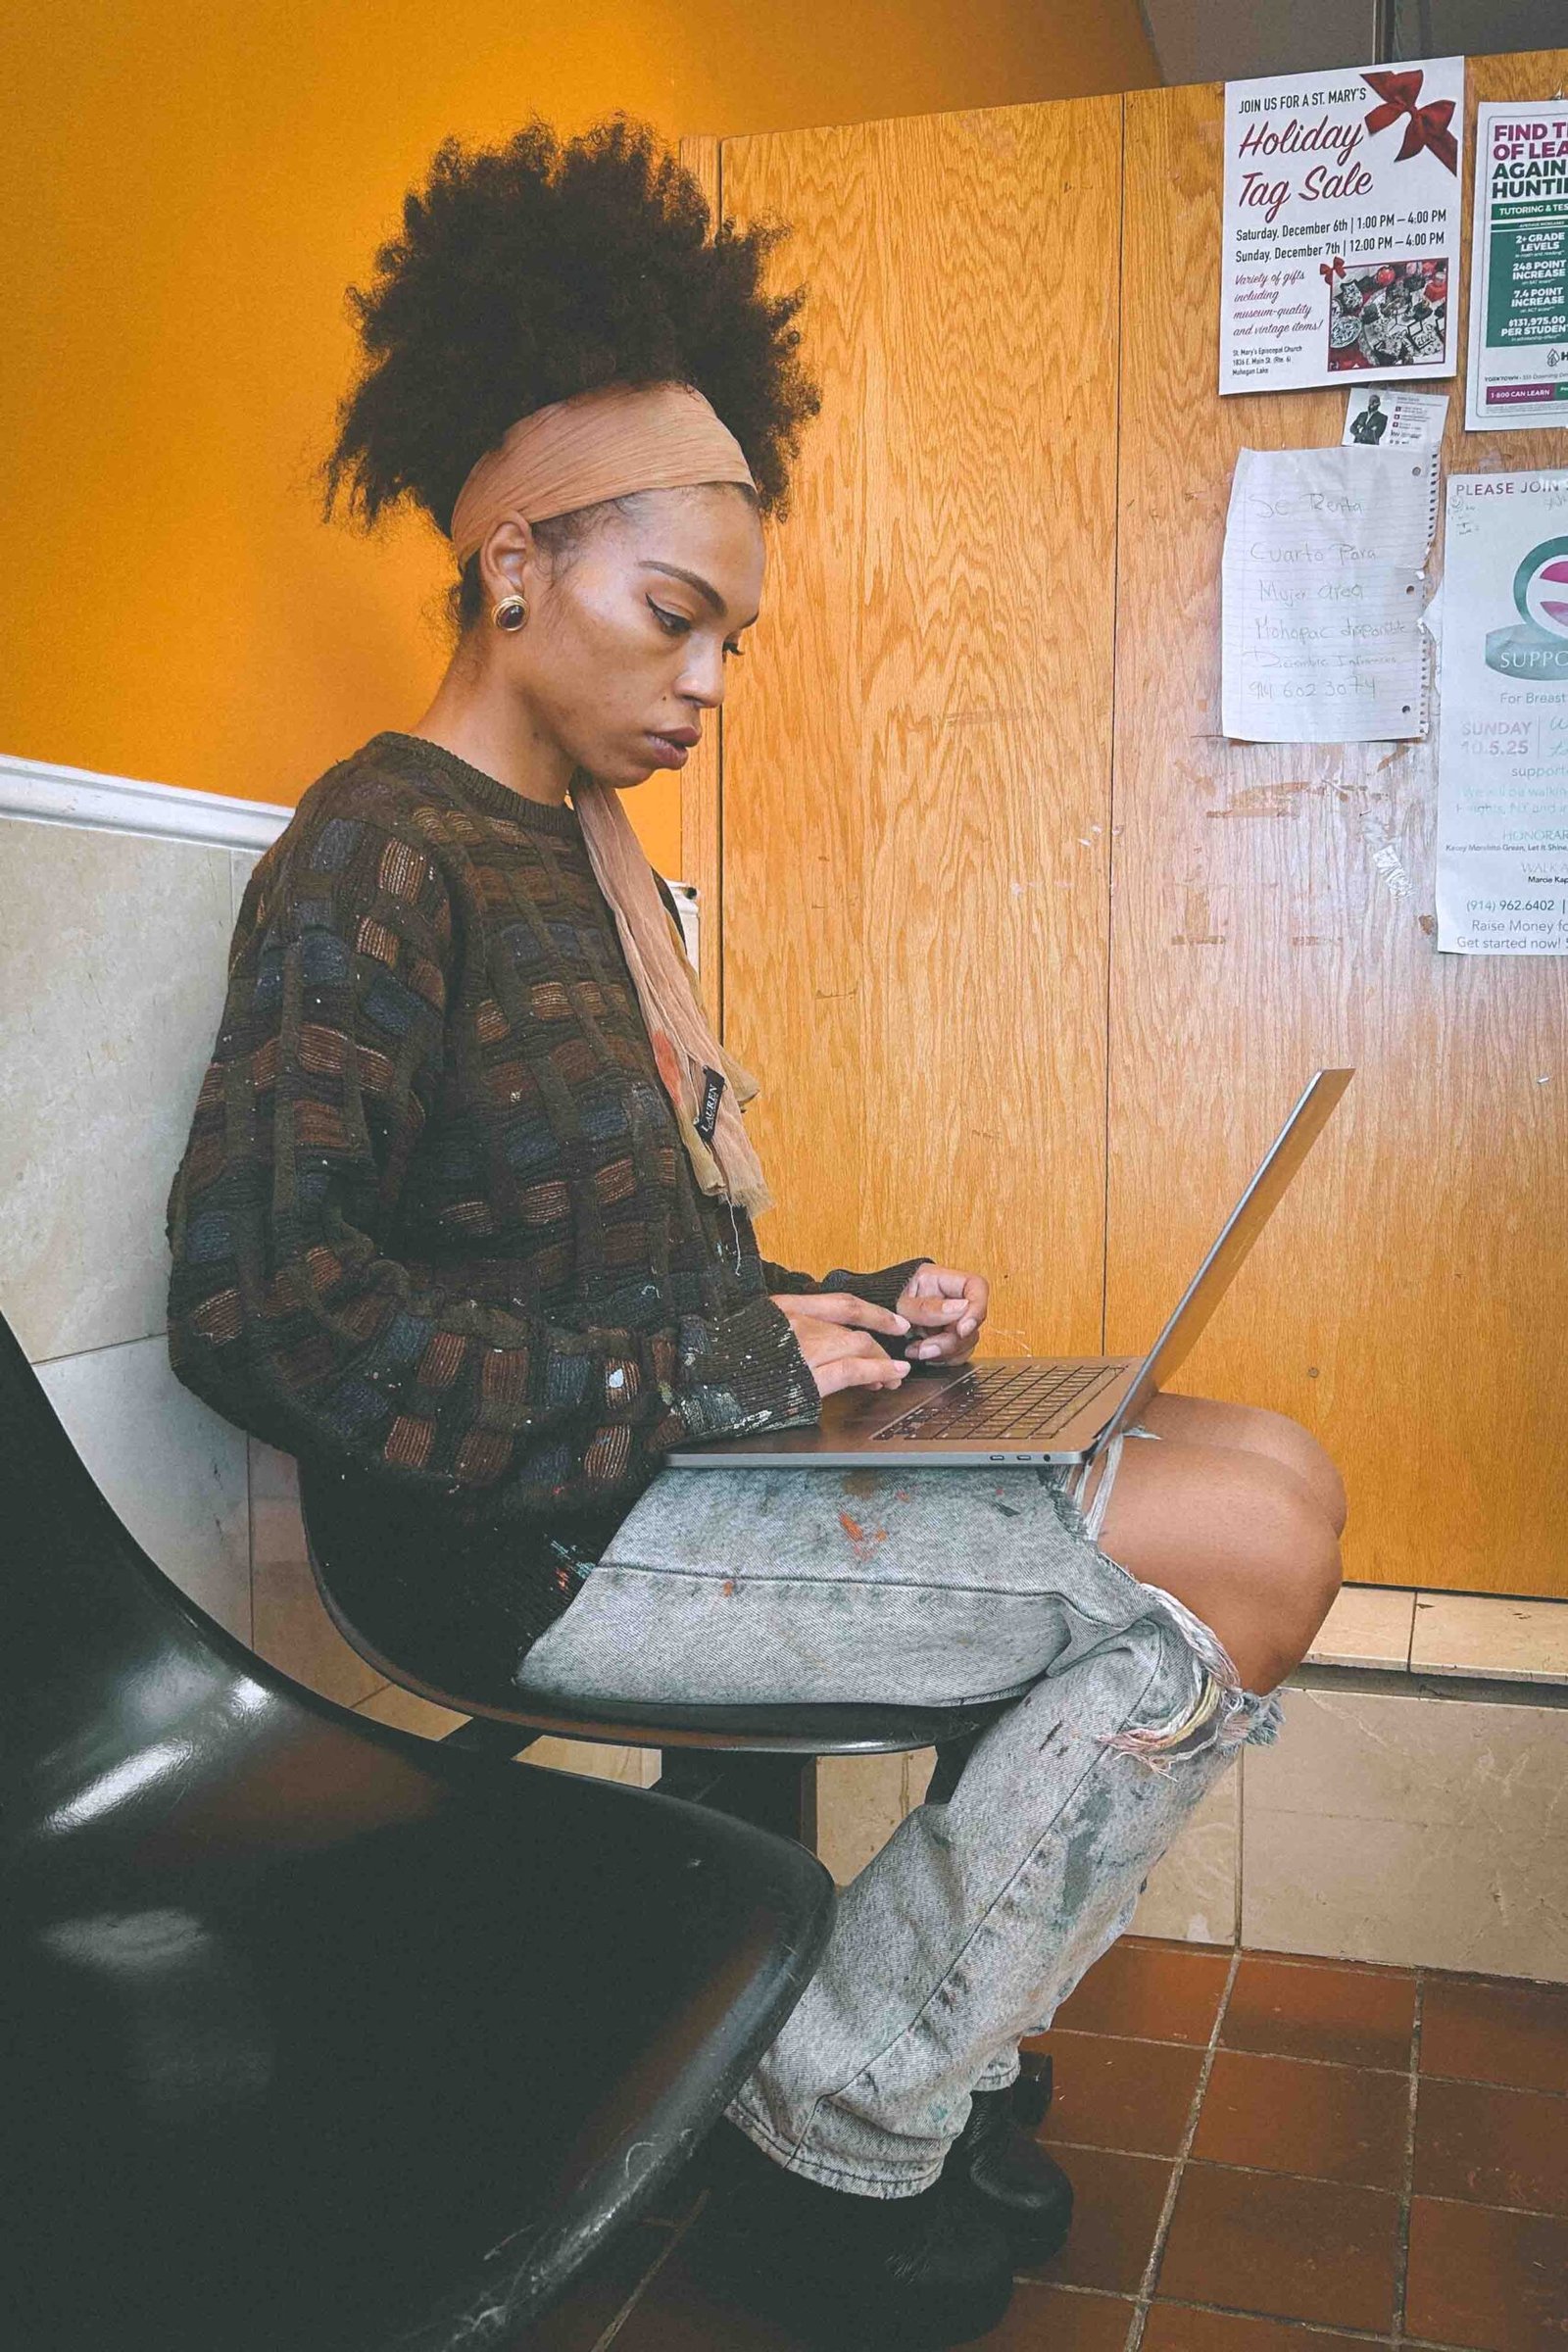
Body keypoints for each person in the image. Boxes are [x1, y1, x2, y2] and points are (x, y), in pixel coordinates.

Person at [165, 119, 1346, 2351]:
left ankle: (904, 2043)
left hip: (661, 1470)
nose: (706, 680)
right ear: (515, 562)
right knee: (1245, 1553)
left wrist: (849, 1307)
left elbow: (622, 1260)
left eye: (730, 636)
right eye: (671, 617)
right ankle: (843, 2110)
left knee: (1270, 1466)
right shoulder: (378, 849)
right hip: (524, 1544)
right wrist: (715, 1370)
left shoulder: (593, 865)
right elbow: (261, 1308)